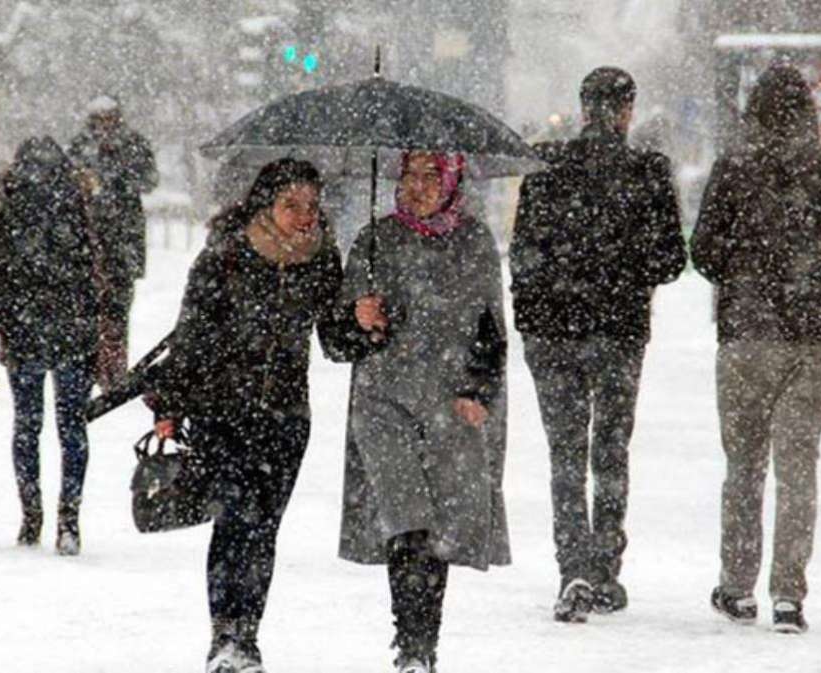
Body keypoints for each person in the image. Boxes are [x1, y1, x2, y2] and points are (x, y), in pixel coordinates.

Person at [691, 64, 821, 634]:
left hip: (748, 337)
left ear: (755, 114)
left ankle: (737, 586)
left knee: (744, 465)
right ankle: (788, 594)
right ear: (810, 114)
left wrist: (745, 274)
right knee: (799, 469)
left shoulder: (734, 171)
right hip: (813, 339)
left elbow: (702, 251)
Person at [146, 159, 350, 673]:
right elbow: (191, 336)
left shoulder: (323, 259)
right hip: (223, 412)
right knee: (234, 521)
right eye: (291, 205)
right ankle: (225, 636)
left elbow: (336, 342)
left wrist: (362, 320)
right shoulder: (227, 255)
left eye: (311, 206)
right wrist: (170, 407)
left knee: (264, 530)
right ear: (266, 205)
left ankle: (248, 635)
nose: (304, 217)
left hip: (286, 416)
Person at [510, 66, 686, 621]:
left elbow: (523, 254)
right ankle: (606, 568)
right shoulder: (648, 171)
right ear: (627, 110)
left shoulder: (545, 167)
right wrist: (623, 270)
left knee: (564, 452)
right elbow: (670, 260)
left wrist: (534, 316)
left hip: (553, 331)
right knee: (610, 450)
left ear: (584, 106)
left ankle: (573, 568)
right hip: (619, 330)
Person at [339, 151, 509, 673]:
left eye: (431, 175)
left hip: (449, 401)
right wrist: (357, 316)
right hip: (383, 399)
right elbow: (339, 338)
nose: (418, 186)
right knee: (405, 519)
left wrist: (477, 390)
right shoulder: (373, 240)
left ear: (453, 180)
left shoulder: (475, 242)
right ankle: (411, 644)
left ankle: (423, 641)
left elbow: (490, 328)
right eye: (409, 174)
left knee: (438, 527)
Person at [0, 136, 100, 555]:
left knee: (27, 425)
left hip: (25, 330)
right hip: (71, 327)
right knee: (72, 427)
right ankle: (68, 518)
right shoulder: (77, 201)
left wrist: (3, 317)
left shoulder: (9, 204)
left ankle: (30, 514)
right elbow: (93, 267)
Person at [68, 95, 159, 391]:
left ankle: (115, 371)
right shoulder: (80, 145)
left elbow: (149, 180)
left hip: (123, 240)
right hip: (89, 240)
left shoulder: (133, 144)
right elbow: (68, 182)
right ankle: (92, 367)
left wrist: (119, 174)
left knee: (118, 310)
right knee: (89, 311)